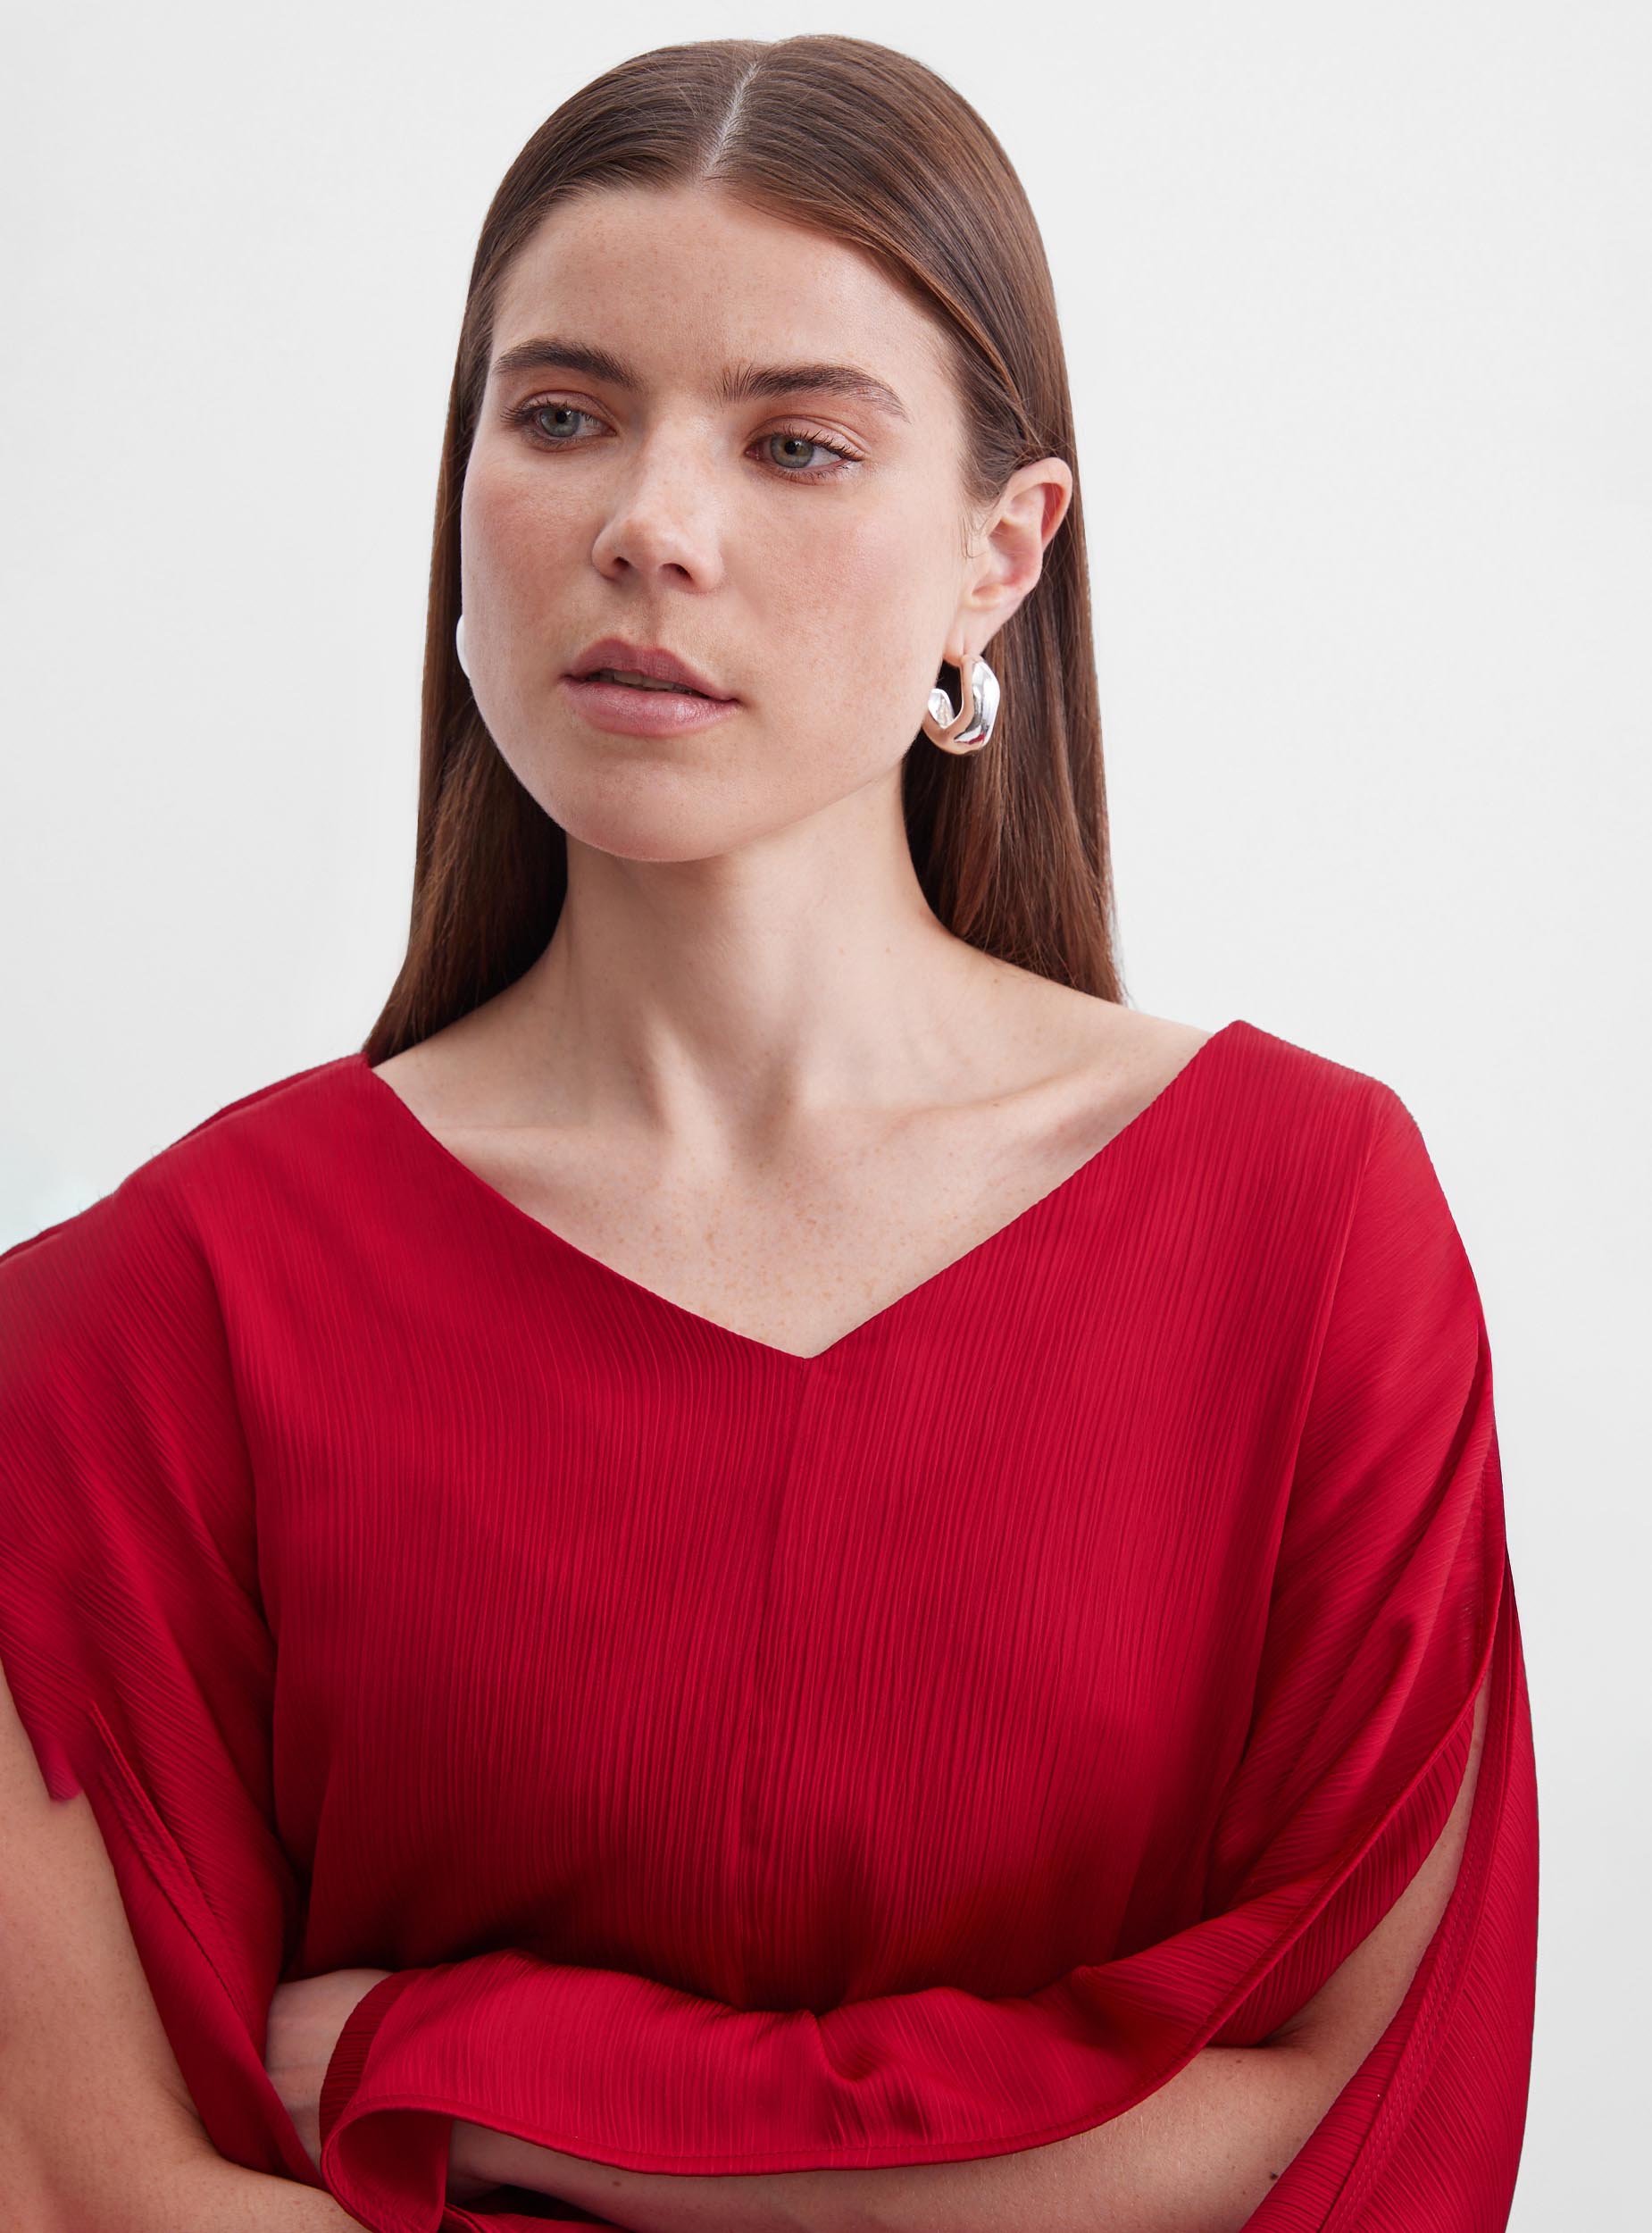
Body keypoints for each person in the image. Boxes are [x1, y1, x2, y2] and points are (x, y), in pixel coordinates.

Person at [0, 32, 1536, 2233]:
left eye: (795, 441)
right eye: (559, 415)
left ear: (999, 555)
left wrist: (477, 2072)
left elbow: (1341, 2114)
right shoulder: (135, 1329)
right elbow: (89, 2191)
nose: (648, 523)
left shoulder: (1304, 1230)